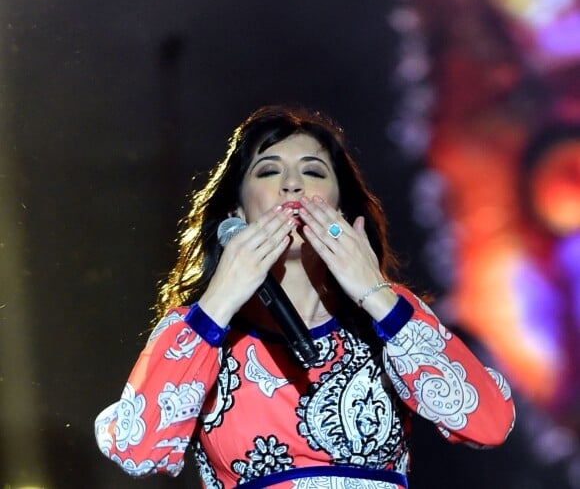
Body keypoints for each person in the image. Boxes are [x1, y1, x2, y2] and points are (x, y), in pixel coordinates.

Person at [95, 106, 515, 488]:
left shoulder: (392, 320)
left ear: (343, 210)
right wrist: (219, 301)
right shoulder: (197, 331)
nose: (292, 185)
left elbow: (489, 424)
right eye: (268, 171)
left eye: (313, 172)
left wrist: (375, 292)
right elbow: (138, 450)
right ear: (236, 215)